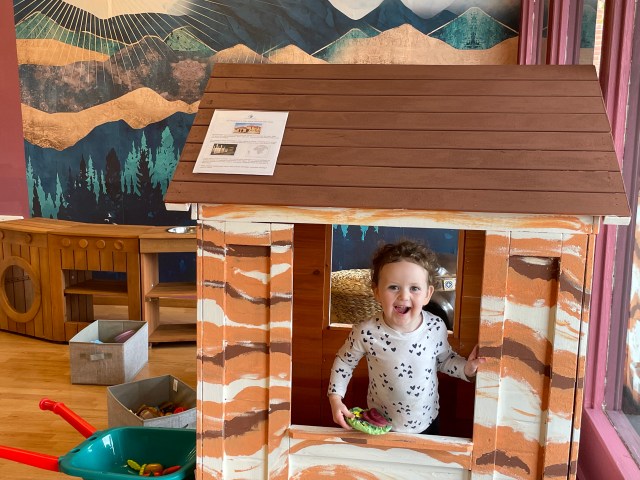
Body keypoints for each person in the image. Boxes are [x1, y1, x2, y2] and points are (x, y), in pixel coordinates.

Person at [328, 240, 484, 434]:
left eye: (414, 288)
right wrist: (335, 398)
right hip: (381, 425)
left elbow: (444, 361)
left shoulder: (435, 327)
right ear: (377, 292)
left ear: (427, 294)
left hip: (427, 423)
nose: (403, 296)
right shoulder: (366, 331)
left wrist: (467, 369)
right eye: (393, 287)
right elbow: (345, 361)